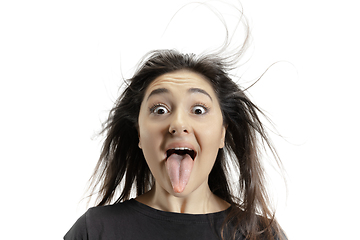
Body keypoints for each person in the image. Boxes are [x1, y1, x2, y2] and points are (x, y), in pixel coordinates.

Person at [64, 48, 287, 240]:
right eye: (160, 110)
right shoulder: (94, 230)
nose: (178, 124)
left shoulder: (262, 235)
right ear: (139, 134)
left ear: (222, 133)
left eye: (198, 110)